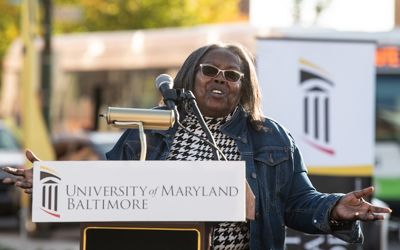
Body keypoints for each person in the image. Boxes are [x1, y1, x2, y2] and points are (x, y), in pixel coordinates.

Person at [3, 42, 392, 250]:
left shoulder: (271, 138)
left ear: (243, 88)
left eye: (232, 75)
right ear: (192, 75)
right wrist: (56, 183)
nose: (219, 79)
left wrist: (336, 208)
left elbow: (296, 204)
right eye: (210, 70)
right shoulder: (150, 132)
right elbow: (107, 187)